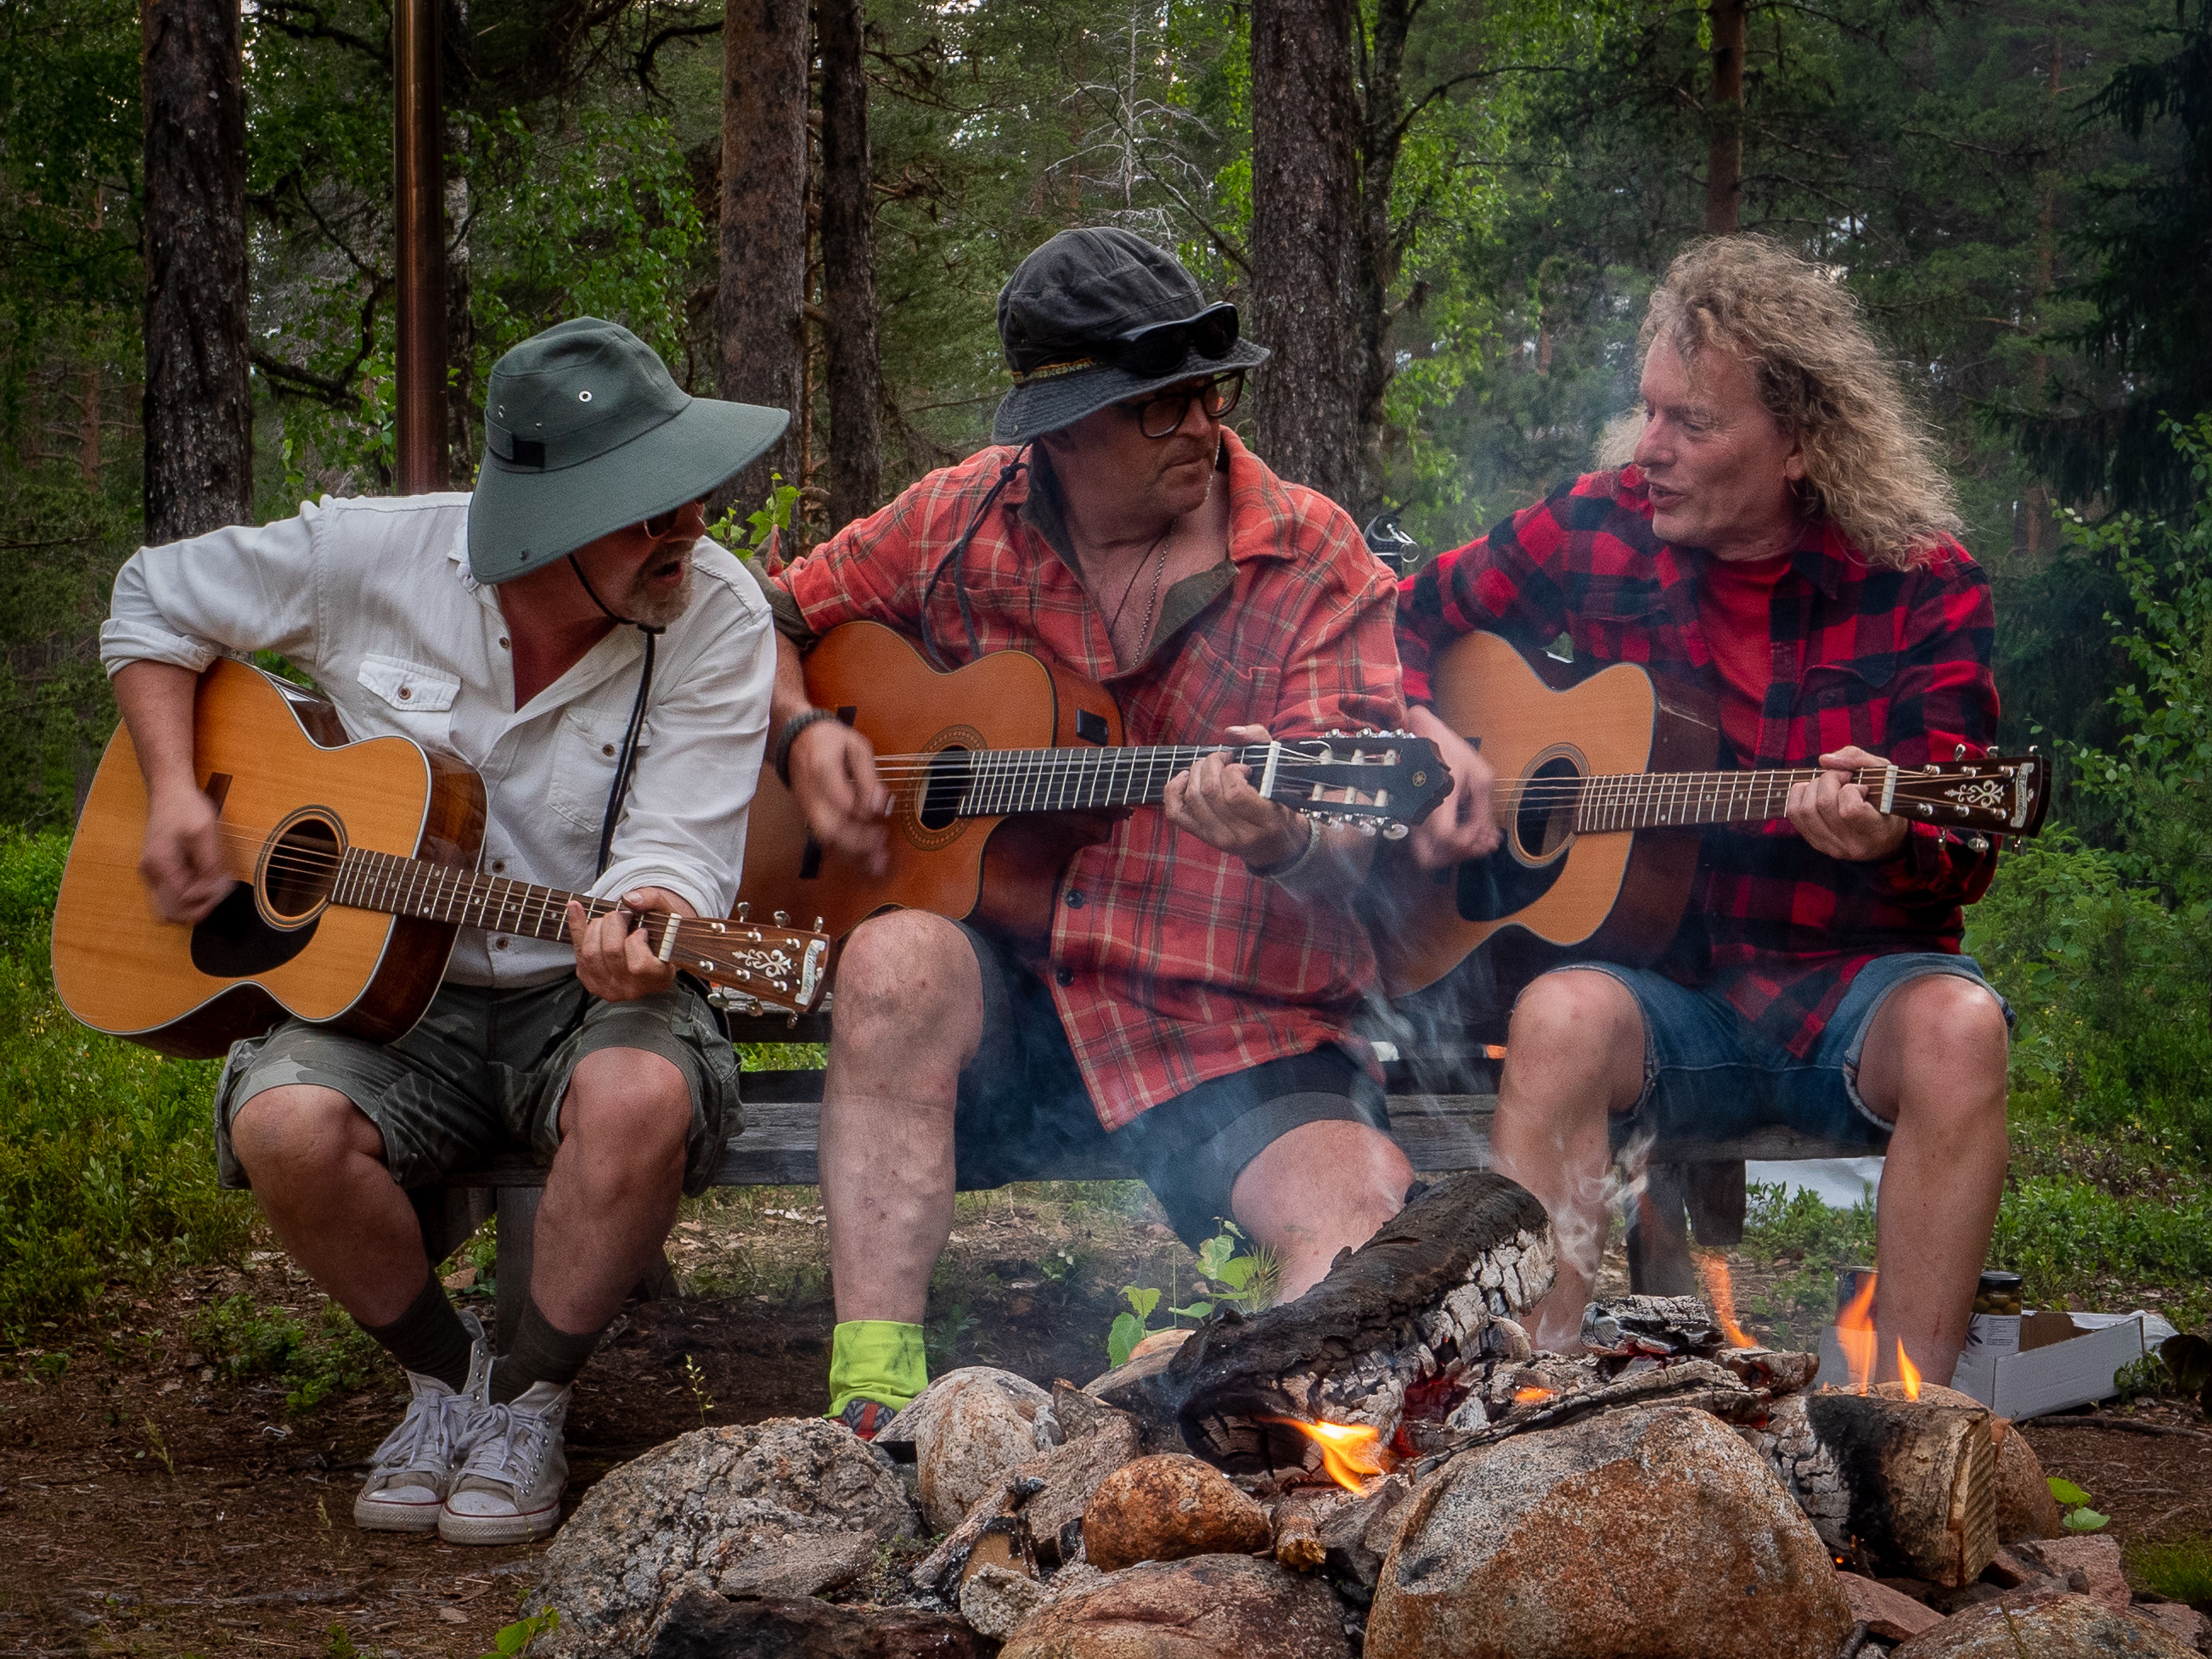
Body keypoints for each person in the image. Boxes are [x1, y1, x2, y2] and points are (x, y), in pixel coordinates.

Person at [759, 226, 1500, 1436]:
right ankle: (874, 1409)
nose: (1201, 424)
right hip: (1010, 1010)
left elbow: (1352, 858)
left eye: (1211, 393)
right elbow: (766, 616)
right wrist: (800, 731)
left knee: (1356, 1231)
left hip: (1234, 1021)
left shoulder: (1308, 553)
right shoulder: (958, 517)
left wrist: (1282, 839)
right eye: (1161, 406)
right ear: (1059, 429)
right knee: (894, 959)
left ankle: (1283, 1447)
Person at [99, 318, 786, 1542]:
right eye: (650, 508)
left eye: (693, 493)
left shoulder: (716, 612)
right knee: (283, 1123)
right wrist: (169, 791)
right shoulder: (369, 557)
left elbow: (680, 843)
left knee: (639, 1095)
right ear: (550, 524)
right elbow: (152, 597)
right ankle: (443, 1377)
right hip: (383, 998)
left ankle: (526, 1401)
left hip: (584, 992)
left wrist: (652, 915)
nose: (690, 525)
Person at [1397, 236, 2010, 1387]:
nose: (1650, 449)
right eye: (1648, 411)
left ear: (1800, 442)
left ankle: (1907, 1419)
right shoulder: (1597, 527)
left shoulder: (1921, 577)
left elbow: (1966, 832)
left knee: (1960, 1029)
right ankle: (1530, 1398)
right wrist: (1430, 731)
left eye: (1692, 423)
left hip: (1849, 989)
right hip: (1664, 999)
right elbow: (1392, 619)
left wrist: (1897, 831)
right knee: (1555, 1015)